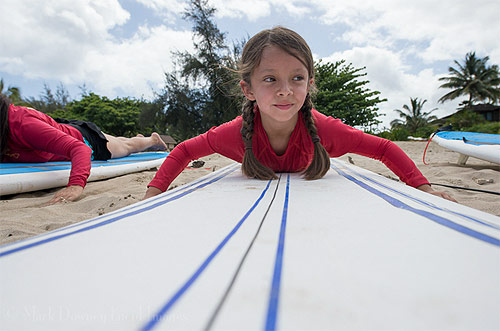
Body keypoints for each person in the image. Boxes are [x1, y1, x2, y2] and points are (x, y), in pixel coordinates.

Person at [144, 26, 455, 202]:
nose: (285, 90)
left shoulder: (325, 130)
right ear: (248, 89)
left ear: (309, 84)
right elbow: (184, 150)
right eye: (270, 79)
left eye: (296, 78)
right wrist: (153, 194)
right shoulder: (236, 133)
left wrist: (424, 189)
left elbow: (383, 148)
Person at [0, 94, 168, 204]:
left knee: (125, 147)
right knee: (118, 141)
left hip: (85, 139)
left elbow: (80, 149)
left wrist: (75, 185)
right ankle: (135, 139)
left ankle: (151, 139)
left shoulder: (23, 125)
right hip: (62, 128)